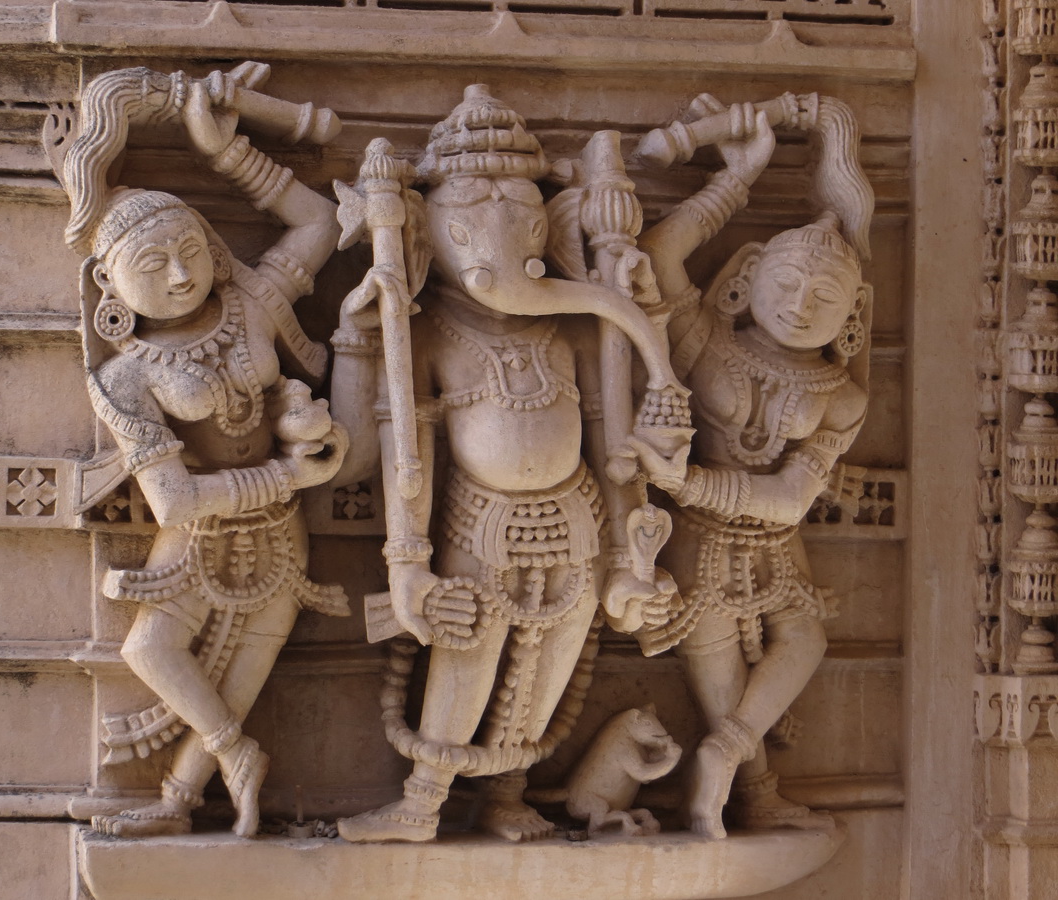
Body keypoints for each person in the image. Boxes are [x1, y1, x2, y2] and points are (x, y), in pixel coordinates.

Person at [331, 87, 684, 843]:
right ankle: (423, 801)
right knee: (466, 661)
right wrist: (407, 569)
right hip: (478, 524)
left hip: (578, 520)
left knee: (545, 672)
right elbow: (400, 459)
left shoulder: (576, 331)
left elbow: (616, 450)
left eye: (524, 219)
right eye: (467, 224)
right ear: (429, 232)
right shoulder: (427, 335)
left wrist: (630, 556)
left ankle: (507, 794)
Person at [65, 70, 349, 838]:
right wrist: (286, 475)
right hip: (200, 537)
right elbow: (175, 502)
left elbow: (321, 222)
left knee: (248, 672)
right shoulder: (125, 378)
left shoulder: (252, 302)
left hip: (280, 538)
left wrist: (228, 152)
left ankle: (181, 798)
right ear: (108, 282)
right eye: (153, 265)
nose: (183, 274)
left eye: (191, 251)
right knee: (152, 649)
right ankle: (231, 751)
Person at [632, 97, 872, 839]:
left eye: (824, 297)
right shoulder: (705, 339)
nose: (801, 306)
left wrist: (689, 481)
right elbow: (660, 254)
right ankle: (750, 787)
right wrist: (734, 181)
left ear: (851, 314)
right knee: (717, 671)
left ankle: (727, 754)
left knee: (804, 640)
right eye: (787, 283)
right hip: (695, 537)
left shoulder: (840, 396)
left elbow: (795, 496)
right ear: (747, 277)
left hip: (770, 534)